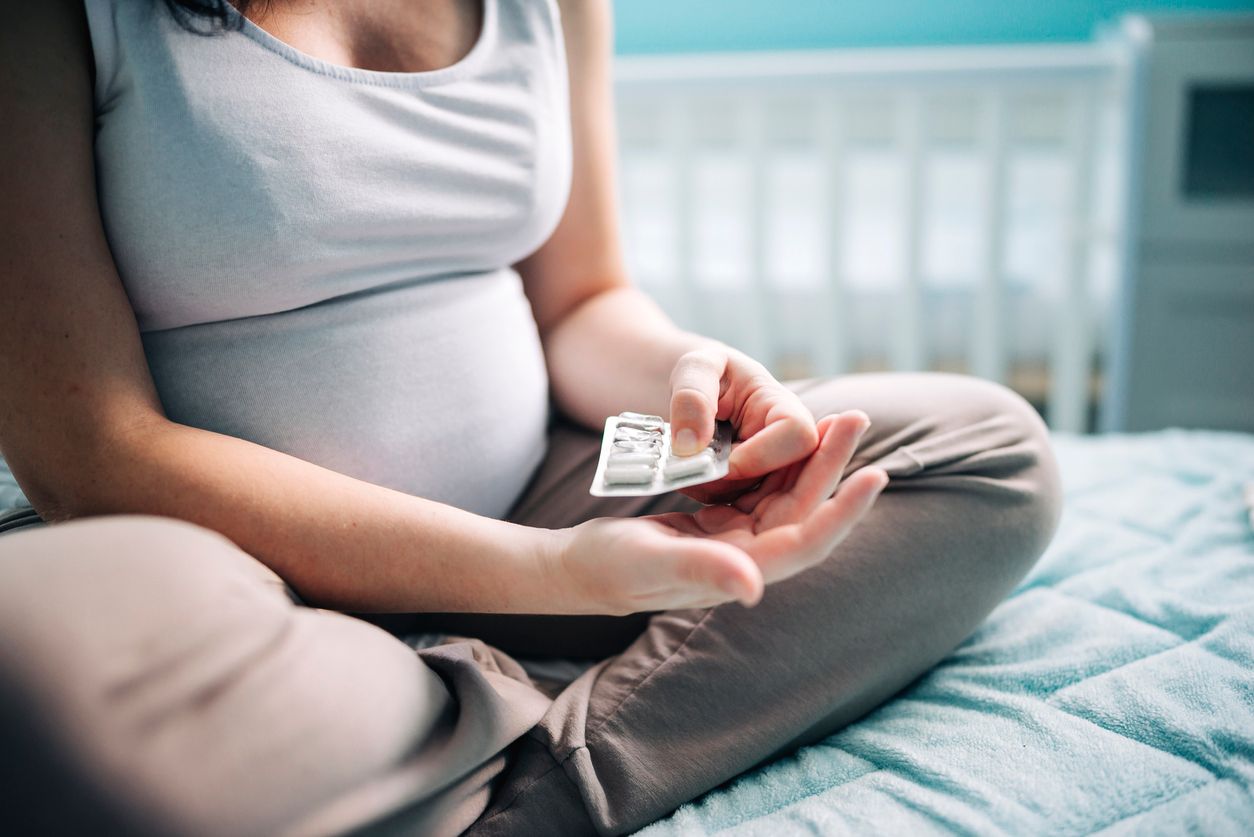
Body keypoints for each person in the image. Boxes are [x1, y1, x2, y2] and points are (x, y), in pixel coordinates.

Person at [0, 0, 1062, 834]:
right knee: (34, 664)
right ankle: (457, 693)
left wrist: (694, 379)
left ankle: (530, 785)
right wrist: (542, 574)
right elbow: (95, 455)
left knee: (985, 450)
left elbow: (582, 302)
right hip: (253, 573)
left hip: (550, 504)